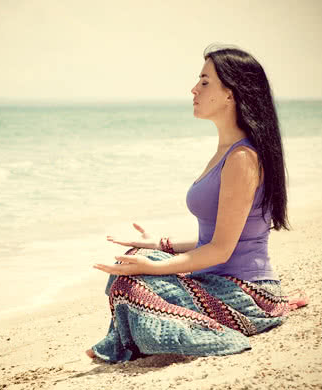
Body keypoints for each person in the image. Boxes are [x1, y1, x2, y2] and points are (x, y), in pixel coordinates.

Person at [87, 43, 306, 363]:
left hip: (243, 292)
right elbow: (216, 238)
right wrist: (160, 245)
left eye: (205, 82)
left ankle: (142, 340)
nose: (194, 89)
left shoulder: (242, 158)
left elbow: (220, 250)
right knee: (132, 263)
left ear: (231, 94)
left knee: (132, 280)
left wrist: (153, 265)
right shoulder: (227, 152)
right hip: (214, 281)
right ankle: (129, 339)